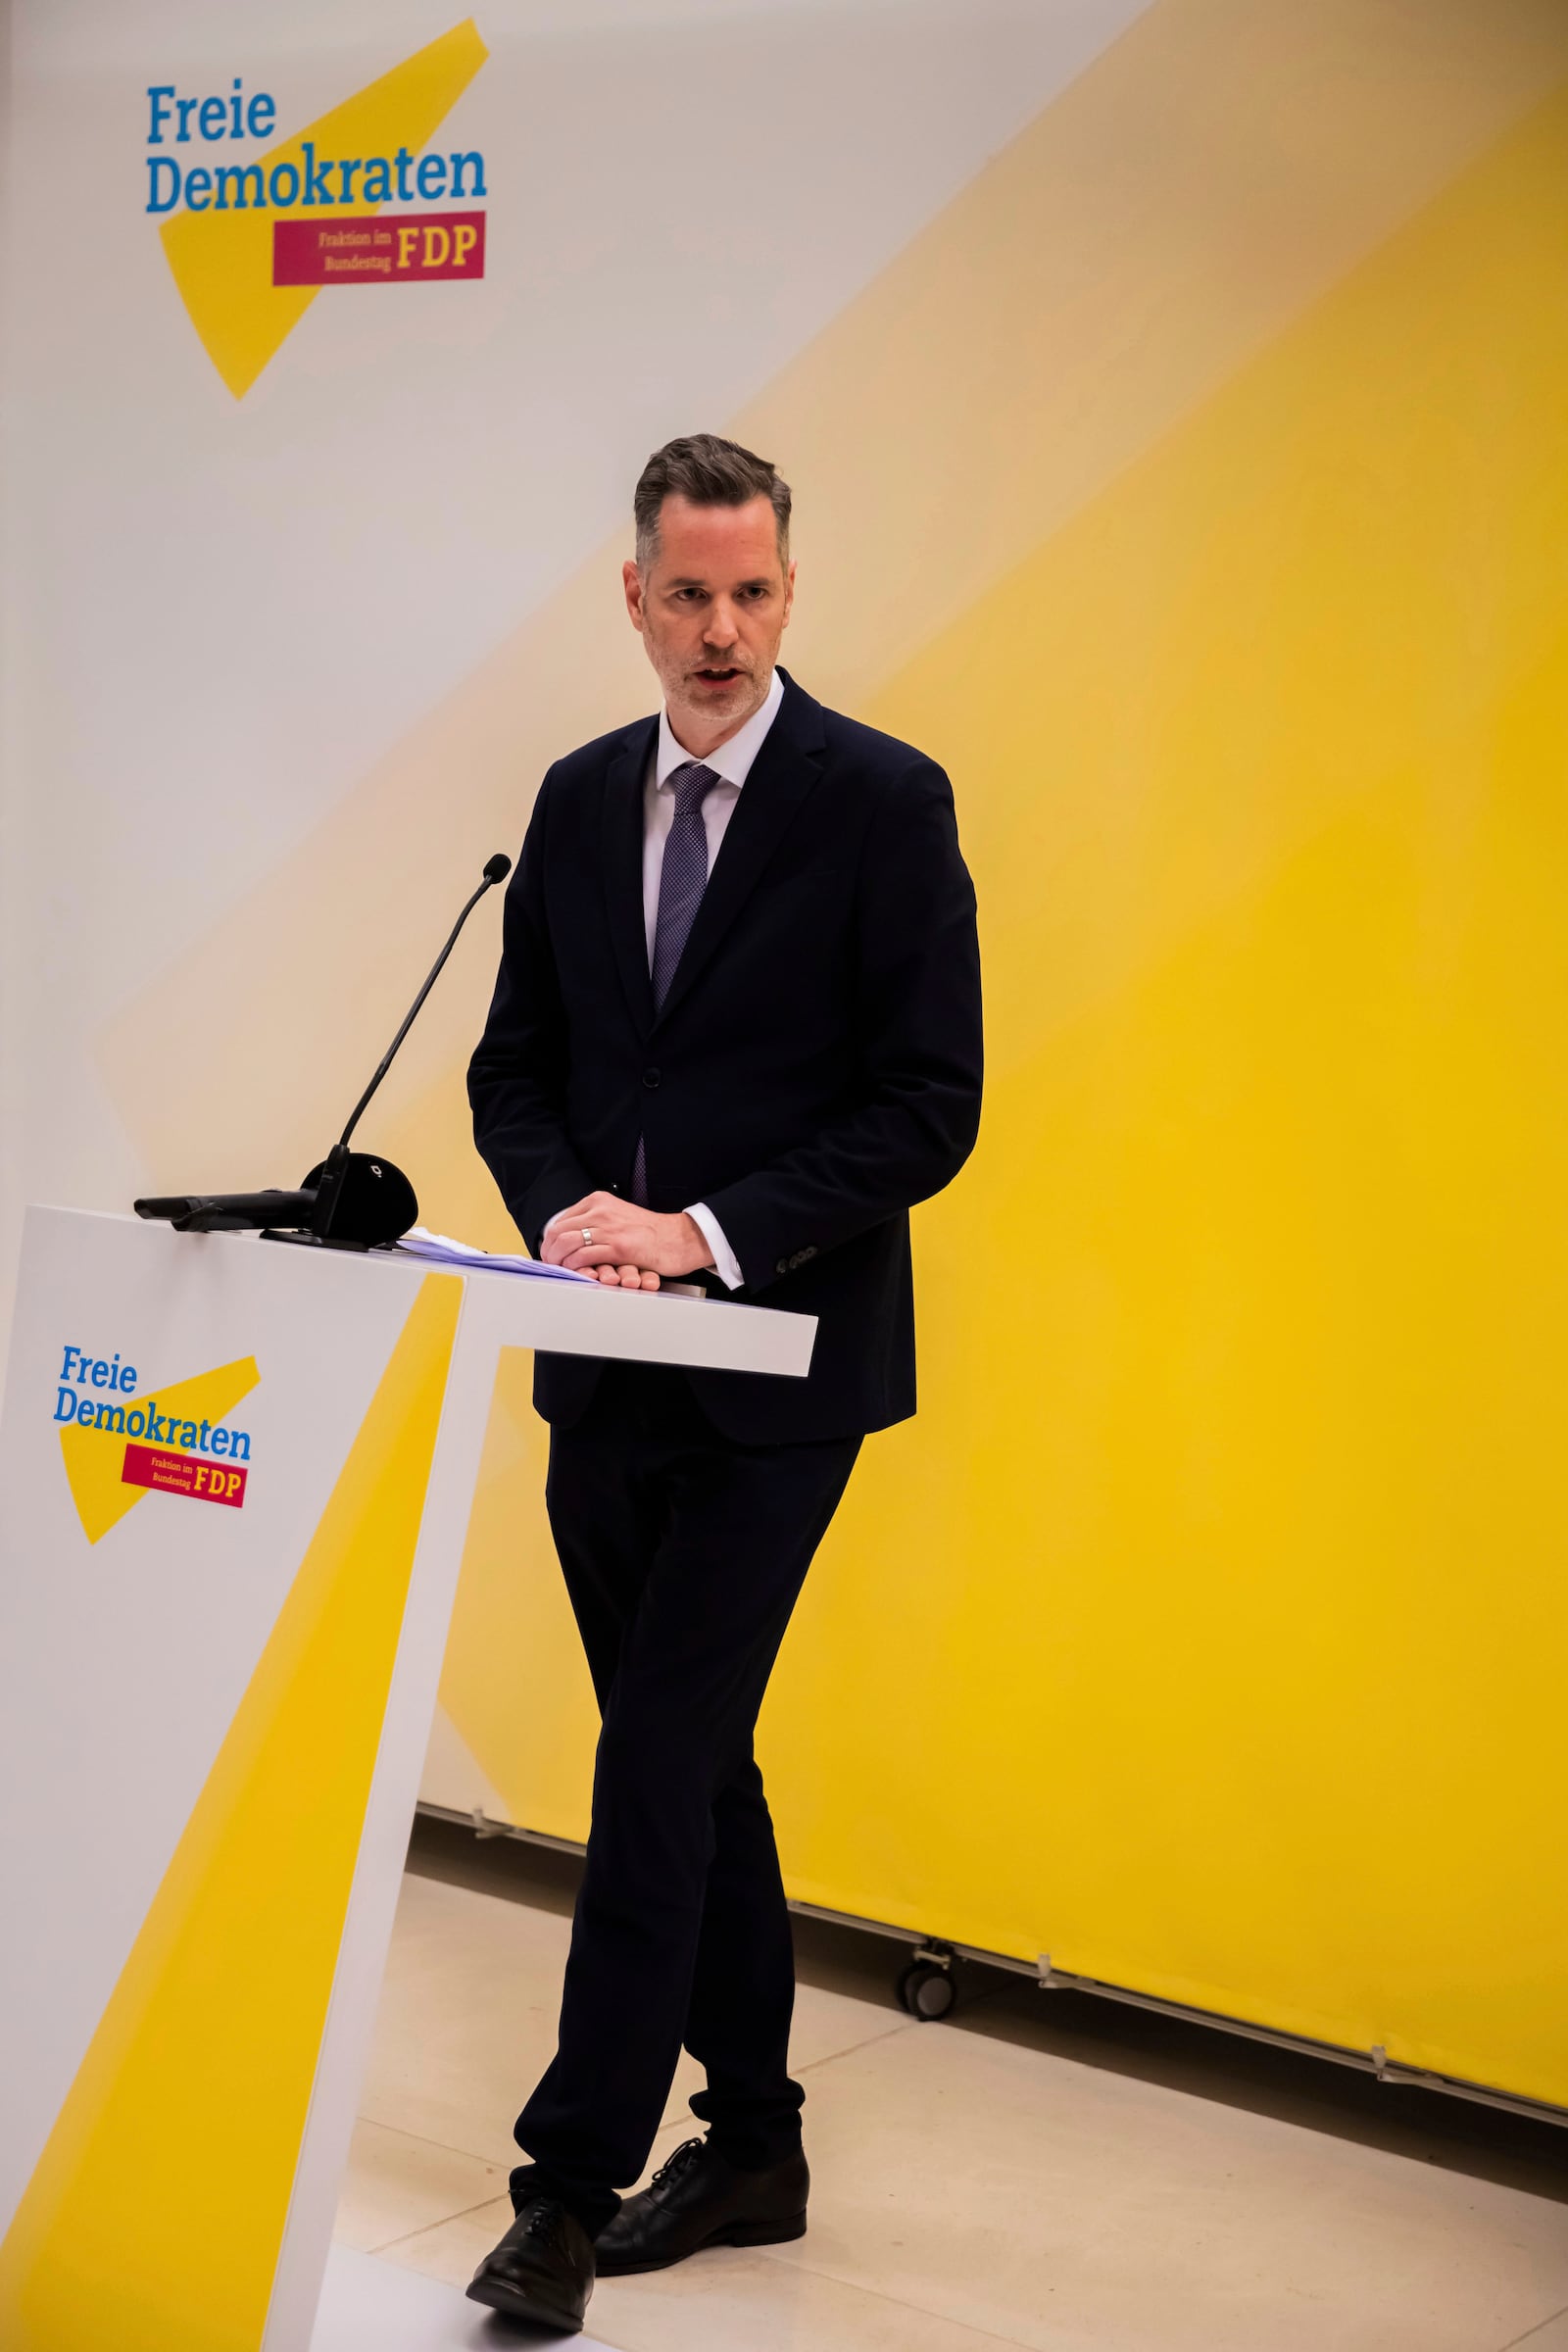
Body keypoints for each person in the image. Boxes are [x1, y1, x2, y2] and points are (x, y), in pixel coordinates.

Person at [464, 432, 983, 2332]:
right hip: (603, 1381)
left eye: (751, 591)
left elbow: (928, 1109)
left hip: (782, 1379)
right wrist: (567, 1220)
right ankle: (756, 2139)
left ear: (791, 587)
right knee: (698, 1768)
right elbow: (513, 1072)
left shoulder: (881, 802)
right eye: (684, 593)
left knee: (654, 1761)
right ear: (631, 595)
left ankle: (562, 2192)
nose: (720, 629)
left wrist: (700, 1232)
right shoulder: (577, 798)